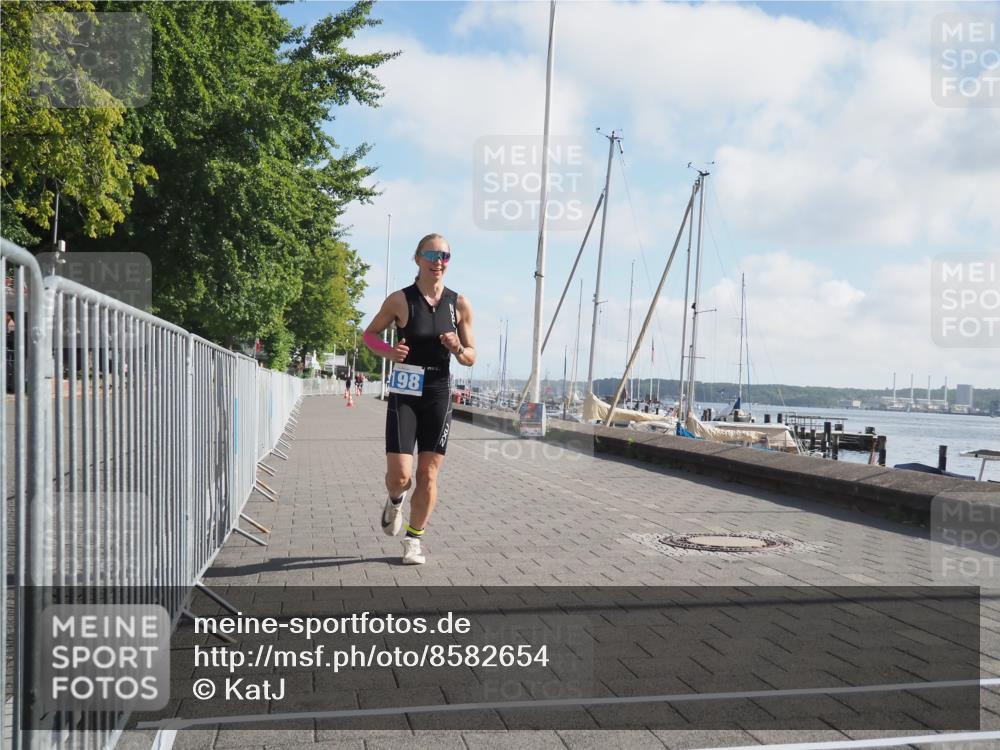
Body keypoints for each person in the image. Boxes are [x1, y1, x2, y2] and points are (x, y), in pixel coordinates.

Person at [363, 233, 476, 565]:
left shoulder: (459, 304)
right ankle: (395, 500)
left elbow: (471, 356)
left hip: (438, 391)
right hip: (406, 389)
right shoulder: (401, 300)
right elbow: (369, 334)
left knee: (428, 474)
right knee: (401, 475)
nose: (438, 261)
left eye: (444, 256)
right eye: (431, 255)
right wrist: (389, 352)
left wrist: (458, 348)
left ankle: (414, 540)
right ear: (417, 259)